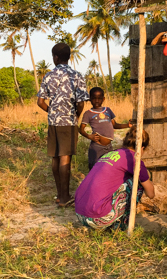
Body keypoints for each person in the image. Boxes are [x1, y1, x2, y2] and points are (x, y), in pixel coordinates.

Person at [35, 42, 88, 208]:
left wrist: (52, 111)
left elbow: (40, 102)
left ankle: (60, 195)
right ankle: (65, 197)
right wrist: (76, 115)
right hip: (69, 122)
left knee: (56, 157)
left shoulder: (48, 76)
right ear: (69, 57)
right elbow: (81, 103)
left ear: (55, 58)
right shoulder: (77, 75)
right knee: (66, 157)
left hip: (53, 122)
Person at [73, 128, 152, 231]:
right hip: (96, 218)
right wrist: (146, 176)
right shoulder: (134, 159)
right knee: (136, 183)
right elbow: (151, 194)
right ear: (142, 148)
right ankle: (121, 225)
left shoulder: (111, 154)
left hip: (80, 214)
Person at [77, 87, 129, 171]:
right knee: (95, 168)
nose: (97, 101)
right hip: (97, 147)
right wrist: (89, 136)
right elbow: (81, 129)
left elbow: (115, 125)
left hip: (109, 147)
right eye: (94, 98)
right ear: (90, 99)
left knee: (108, 168)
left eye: (99, 98)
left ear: (103, 99)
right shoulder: (88, 114)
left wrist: (128, 125)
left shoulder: (108, 110)